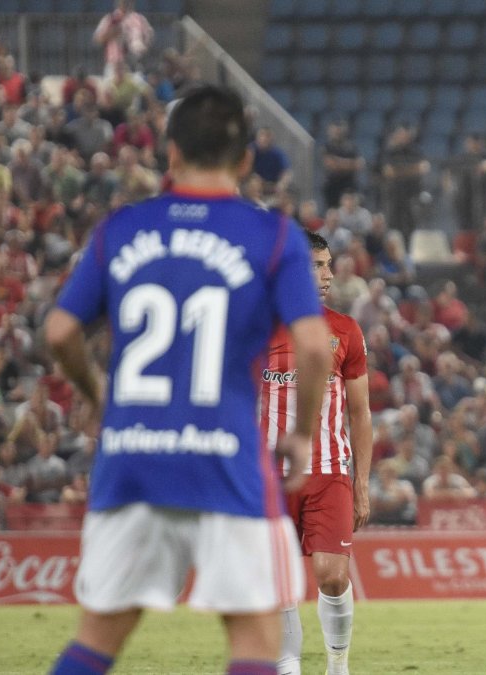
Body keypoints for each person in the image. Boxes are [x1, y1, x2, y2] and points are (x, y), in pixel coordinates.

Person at [44, 85, 332, 675]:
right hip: (227, 461)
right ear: (247, 159)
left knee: (96, 641)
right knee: (255, 638)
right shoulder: (274, 237)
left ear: (169, 152)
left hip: (132, 459)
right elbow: (312, 347)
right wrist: (302, 434)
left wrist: (99, 395)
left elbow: (59, 332)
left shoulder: (122, 228)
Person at [260, 231, 373, 675]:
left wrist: (361, 484)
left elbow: (361, 414)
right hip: (272, 474)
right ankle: (288, 668)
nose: (328, 274)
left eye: (328, 264)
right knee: (281, 581)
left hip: (329, 471)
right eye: (317, 266)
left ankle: (337, 664)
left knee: (333, 575)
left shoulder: (345, 330)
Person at [93, 0, 153, 78]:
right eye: (124, 1)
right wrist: (113, 32)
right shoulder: (110, 19)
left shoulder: (139, 19)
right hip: (114, 64)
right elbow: (97, 38)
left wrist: (143, 46)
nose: (127, 3)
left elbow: (149, 36)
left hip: (134, 64)